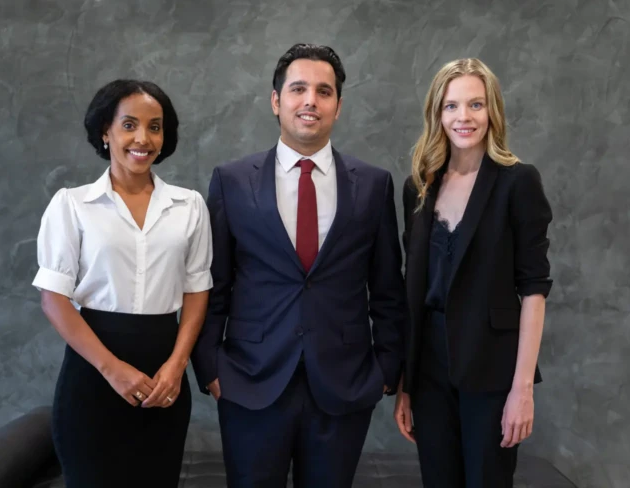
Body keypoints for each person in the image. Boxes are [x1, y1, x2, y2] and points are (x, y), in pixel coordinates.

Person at [191, 43, 406, 488]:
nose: (311, 100)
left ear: (338, 106)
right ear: (276, 101)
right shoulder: (232, 181)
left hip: (344, 381)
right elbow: (215, 282)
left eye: (324, 92)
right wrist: (208, 364)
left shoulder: (372, 184)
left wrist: (389, 366)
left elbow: (387, 286)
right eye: (299, 89)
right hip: (250, 379)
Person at [32, 79, 212, 488]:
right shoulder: (72, 205)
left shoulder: (189, 207)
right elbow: (53, 300)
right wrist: (112, 370)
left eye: (155, 126)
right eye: (129, 124)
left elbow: (197, 290)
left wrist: (177, 365)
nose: (143, 138)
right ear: (105, 131)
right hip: (92, 378)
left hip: (164, 378)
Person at [393, 58, 553, 488]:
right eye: (452, 106)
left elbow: (534, 289)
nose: (463, 117)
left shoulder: (518, 182)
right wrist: (406, 381)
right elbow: (414, 287)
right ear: (437, 113)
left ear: (492, 111)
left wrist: (523, 388)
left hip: (492, 369)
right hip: (428, 370)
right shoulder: (419, 186)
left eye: (476, 105)